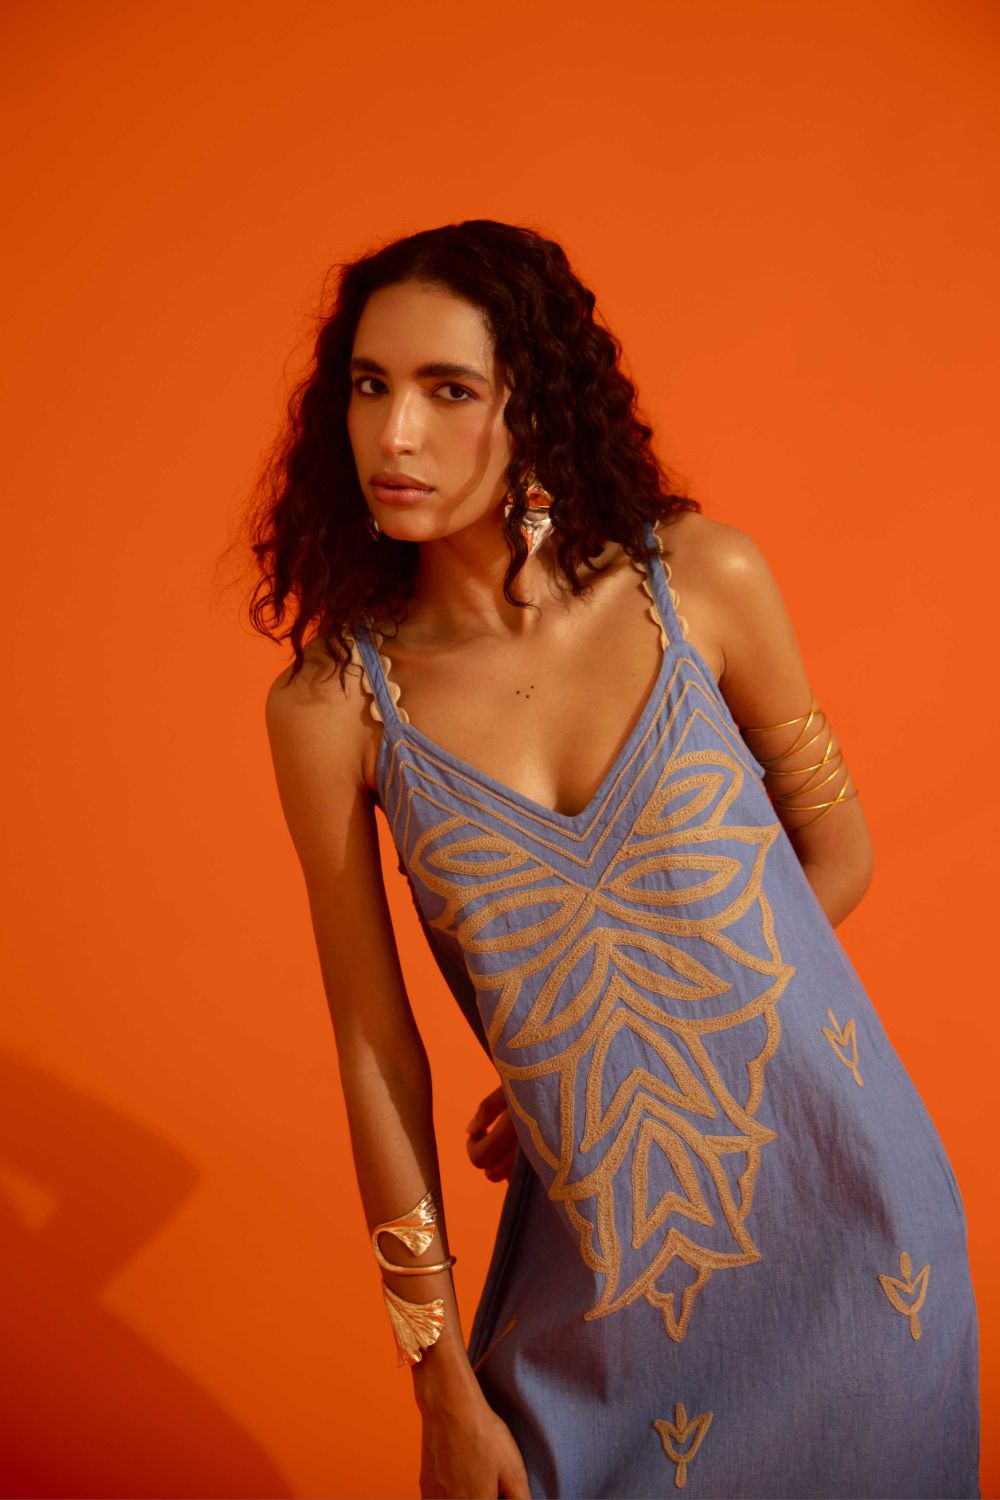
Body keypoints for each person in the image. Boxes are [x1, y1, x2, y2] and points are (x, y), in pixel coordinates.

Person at [251, 220, 980, 1498]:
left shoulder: (700, 583)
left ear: (532, 405)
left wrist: (631, 1039)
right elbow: (377, 1053)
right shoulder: (335, 709)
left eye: (448, 390)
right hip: (596, 1279)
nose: (394, 434)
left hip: (861, 1236)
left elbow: (838, 851)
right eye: (369, 385)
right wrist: (437, 1379)